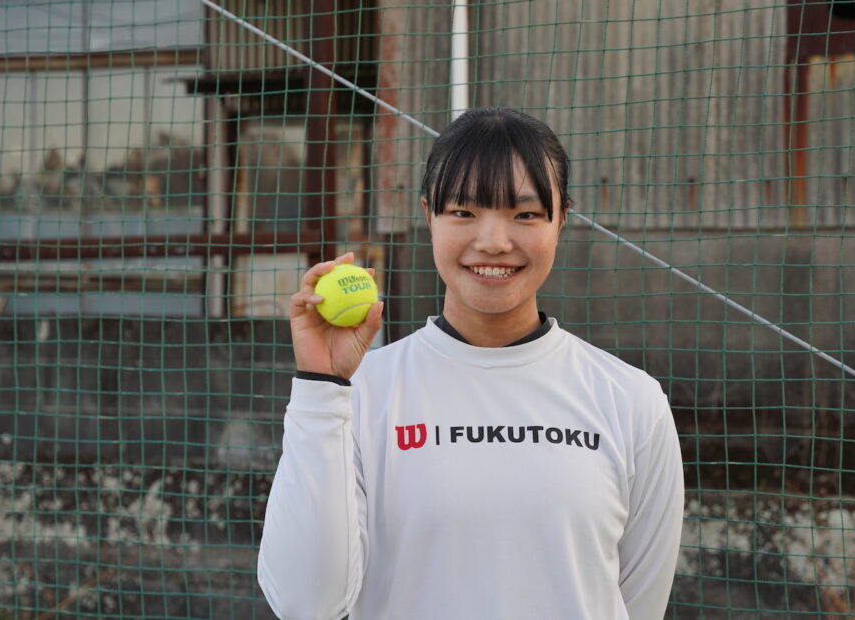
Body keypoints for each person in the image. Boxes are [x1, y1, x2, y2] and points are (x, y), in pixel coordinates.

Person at [257, 107, 684, 619]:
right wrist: (320, 385)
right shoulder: (358, 393)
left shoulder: (631, 400)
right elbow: (306, 603)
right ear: (428, 215)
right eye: (463, 212)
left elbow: (639, 604)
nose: (494, 242)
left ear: (561, 220)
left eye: (525, 214)